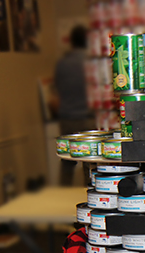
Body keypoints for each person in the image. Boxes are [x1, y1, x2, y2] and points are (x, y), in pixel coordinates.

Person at [55, 25, 95, 185]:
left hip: (67, 119)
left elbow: (58, 88)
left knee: (66, 162)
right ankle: (90, 194)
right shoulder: (91, 63)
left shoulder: (62, 63)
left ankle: (63, 195)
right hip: (87, 119)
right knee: (89, 161)